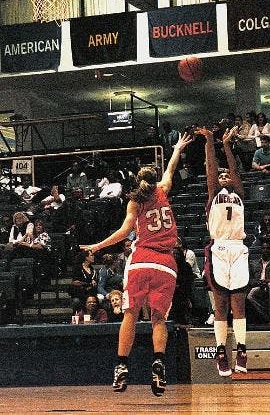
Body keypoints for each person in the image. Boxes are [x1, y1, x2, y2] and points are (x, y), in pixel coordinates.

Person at [80, 132, 192, 396]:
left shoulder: (135, 201)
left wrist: (96, 246)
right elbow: (171, 169)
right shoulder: (163, 191)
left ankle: (121, 366)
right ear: (154, 181)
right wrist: (176, 149)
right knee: (158, 320)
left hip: (141, 260)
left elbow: (123, 233)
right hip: (166, 264)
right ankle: (159, 362)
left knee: (130, 314)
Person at [196, 125, 249, 377]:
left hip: (238, 249)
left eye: (228, 175)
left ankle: (241, 350)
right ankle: (220, 352)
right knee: (221, 304)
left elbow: (235, 169)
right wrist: (209, 141)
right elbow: (211, 169)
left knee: (239, 303)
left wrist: (227, 144)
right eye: (223, 175)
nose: (225, 176)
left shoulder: (238, 194)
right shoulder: (213, 194)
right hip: (218, 249)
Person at [246, 238, 270, 324]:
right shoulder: (254, 264)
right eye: (264, 248)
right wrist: (258, 282)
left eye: (268, 248)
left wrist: (267, 281)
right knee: (250, 295)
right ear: (261, 250)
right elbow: (249, 280)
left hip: (268, 286)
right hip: (258, 287)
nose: (266, 250)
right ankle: (267, 317)